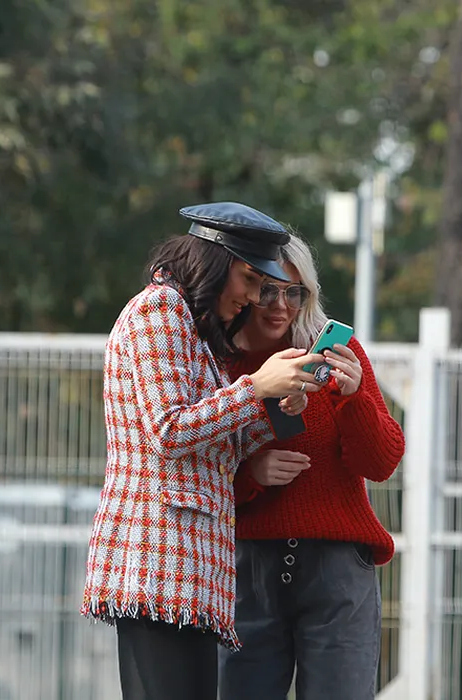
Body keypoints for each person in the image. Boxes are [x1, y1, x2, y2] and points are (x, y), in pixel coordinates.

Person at [81, 203, 325, 700]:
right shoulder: (160, 310)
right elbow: (169, 431)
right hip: (156, 565)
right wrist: (255, 387)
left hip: (188, 575)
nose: (253, 297)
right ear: (214, 261)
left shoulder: (193, 327)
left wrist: (279, 406)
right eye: (250, 278)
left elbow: (215, 448)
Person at [218, 231, 406, 700]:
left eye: (295, 292)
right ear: (245, 288)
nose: (281, 305)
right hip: (248, 569)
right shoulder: (220, 360)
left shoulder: (336, 353)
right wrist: (251, 473)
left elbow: (382, 462)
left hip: (337, 570)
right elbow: (194, 464)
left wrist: (354, 397)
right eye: (268, 290)